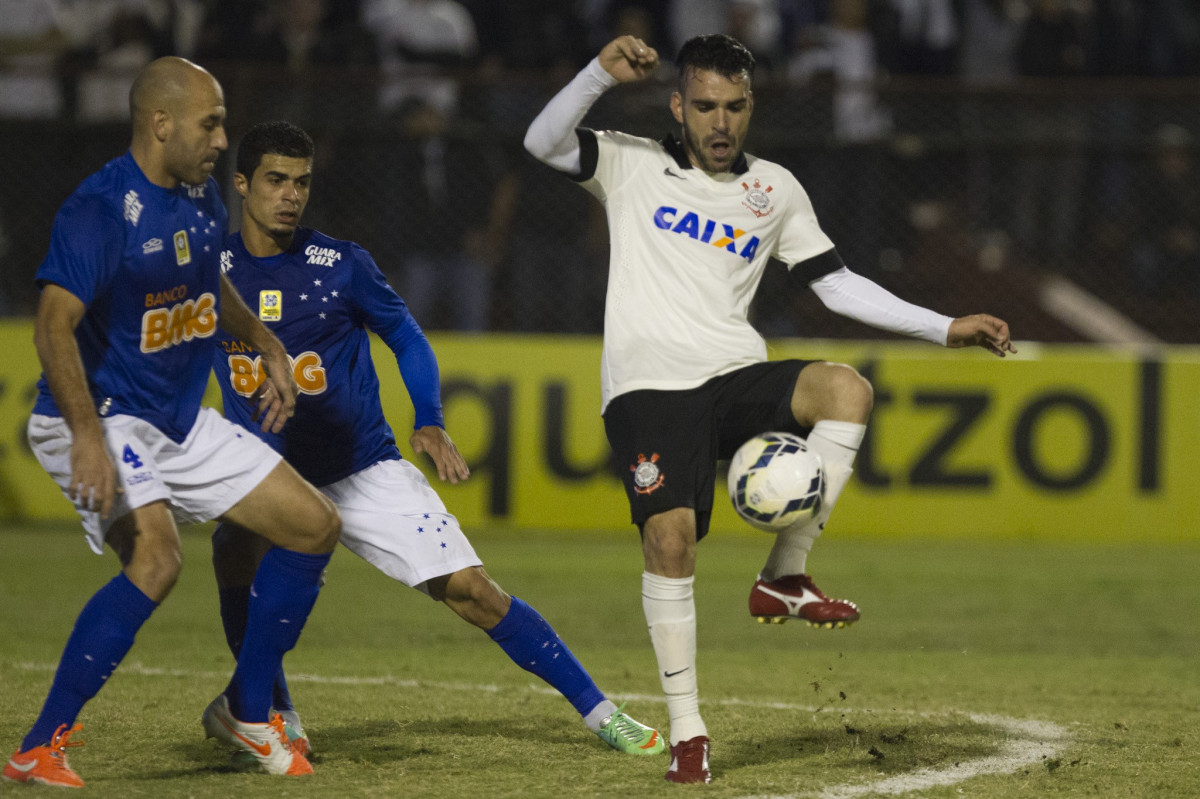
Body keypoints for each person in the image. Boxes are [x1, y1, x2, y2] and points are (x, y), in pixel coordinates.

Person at [523, 33, 1016, 784]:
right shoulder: (630, 163)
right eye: (707, 106)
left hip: (731, 373)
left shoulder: (775, 191)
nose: (721, 122)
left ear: (752, 107)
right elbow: (541, 141)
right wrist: (596, 74)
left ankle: (785, 574)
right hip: (649, 386)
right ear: (678, 106)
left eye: (736, 106)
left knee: (846, 389)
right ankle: (689, 731)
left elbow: (837, 284)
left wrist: (944, 328)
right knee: (672, 541)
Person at [204, 119, 664, 760]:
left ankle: (602, 713)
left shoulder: (339, 264)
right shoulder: (211, 272)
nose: (291, 195)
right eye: (276, 180)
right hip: (269, 470)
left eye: (302, 182)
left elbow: (406, 336)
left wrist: (428, 416)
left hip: (359, 466)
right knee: (233, 550)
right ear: (243, 184)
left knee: (475, 591)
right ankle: (270, 712)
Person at [3, 57, 341, 788]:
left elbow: (206, 286)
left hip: (179, 420)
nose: (224, 137)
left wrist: (266, 341)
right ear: (161, 124)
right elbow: (53, 327)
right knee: (156, 560)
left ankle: (248, 710)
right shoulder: (99, 208)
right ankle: (39, 746)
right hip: (100, 417)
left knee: (315, 525)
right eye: (211, 121)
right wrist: (88, 437)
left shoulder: (199, 197)